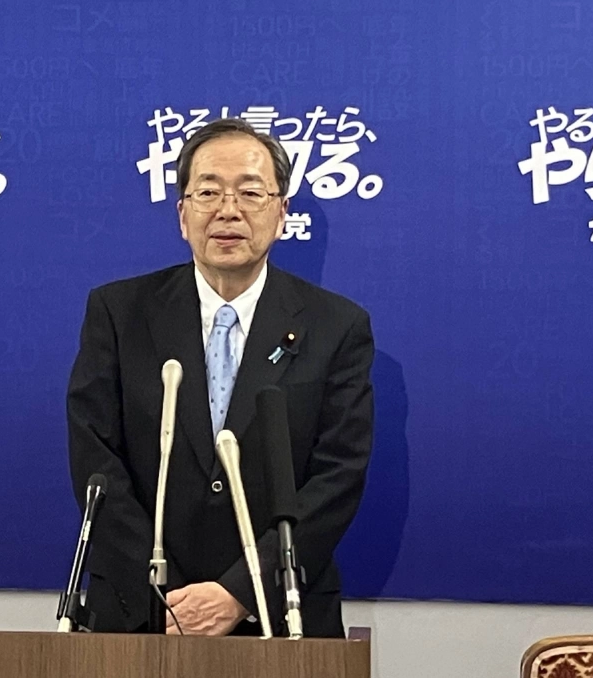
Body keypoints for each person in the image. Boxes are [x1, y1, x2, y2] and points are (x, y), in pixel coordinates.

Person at [67, 118, 374, 637]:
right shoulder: (120, 314)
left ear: (282, 214)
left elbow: (336, 478)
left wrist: (241, 591)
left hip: (279, 615)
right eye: (208, 191)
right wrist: (161, 592)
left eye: (251, 192)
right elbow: (96, 460)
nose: (228, 210)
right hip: (140, 614)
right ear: (182, 214)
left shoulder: (336, 326)